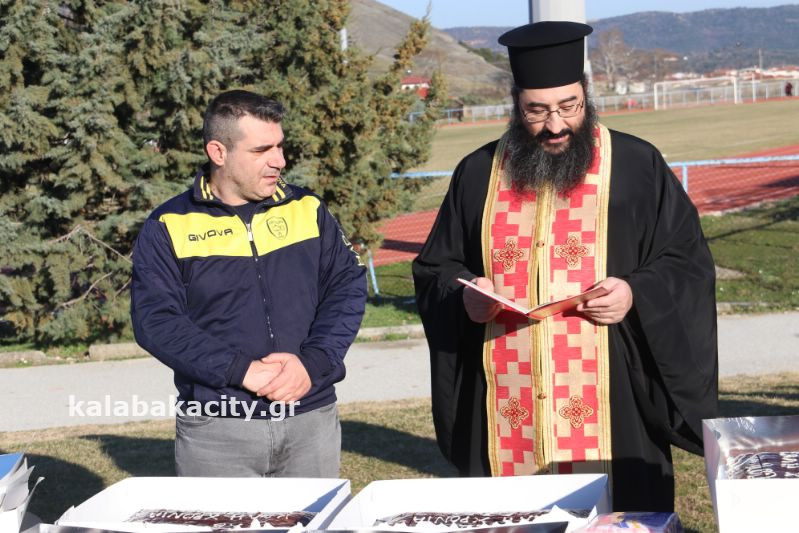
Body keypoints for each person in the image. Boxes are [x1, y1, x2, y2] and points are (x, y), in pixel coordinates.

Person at [413, 21, 717, 512]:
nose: (555, 125)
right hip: (505, 394)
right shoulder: (477, 173)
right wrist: (465, 293)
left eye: (568, 107)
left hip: (612, 390)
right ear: (516, 104)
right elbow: (435, 268)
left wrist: (634, 292)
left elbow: (687, 262)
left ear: (585, 96)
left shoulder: (636, 164)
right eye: (537, 111)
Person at [131, 90, 367, 477]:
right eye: (261, 150)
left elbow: (347, 288)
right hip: (217, 430)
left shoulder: (307, 209)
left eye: (279, 146)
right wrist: (241, 370)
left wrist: (313, 364)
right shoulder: (168, 225)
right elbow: (155, 321)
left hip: (311, 418)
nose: (279, 161)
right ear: (218, 152)